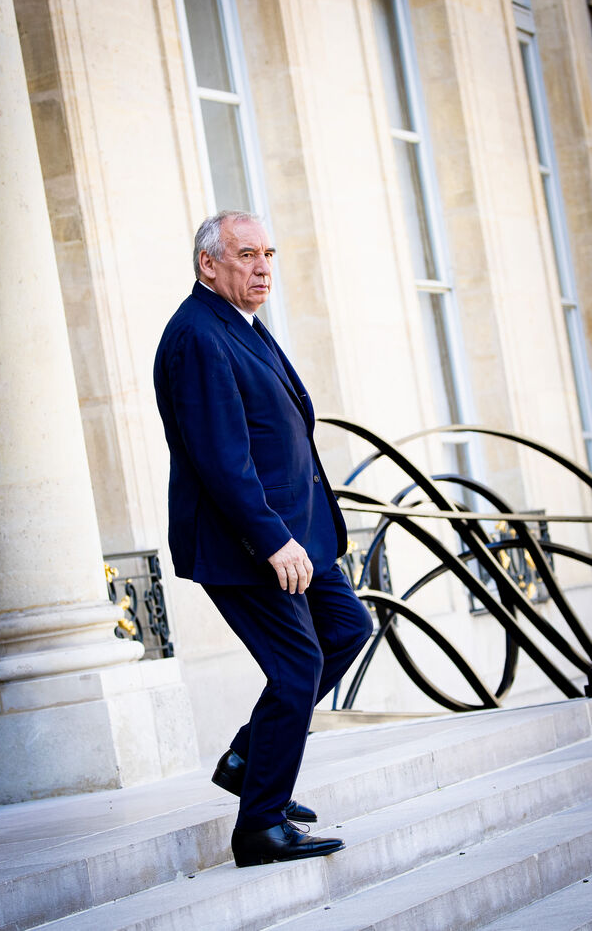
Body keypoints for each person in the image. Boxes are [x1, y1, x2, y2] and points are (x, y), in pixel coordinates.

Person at [154, 210, 373, 868]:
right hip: (248, 543)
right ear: (208, 263)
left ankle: (248, 761)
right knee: (297, 666)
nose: (262, 267)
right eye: (246, 254)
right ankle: (260, 826)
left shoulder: (240, 324)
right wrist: (272, 541)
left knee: (347, 629)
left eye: (268, 254)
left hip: (297, 535)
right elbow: (221, 458)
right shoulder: (197, 335)